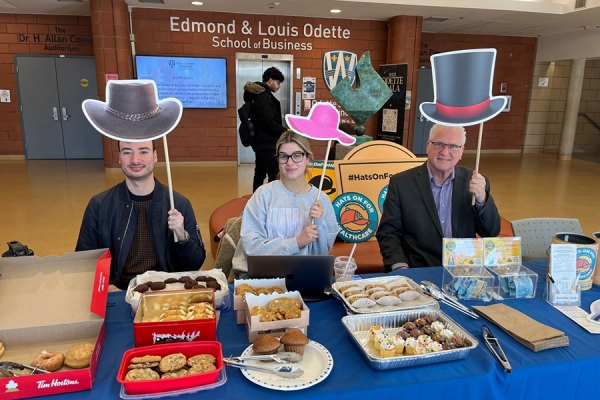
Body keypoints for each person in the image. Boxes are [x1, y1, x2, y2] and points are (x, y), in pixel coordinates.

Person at [76, 140, 206, 290]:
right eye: (127, 152)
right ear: (119, 157)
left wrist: (183, 237)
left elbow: (195, 264)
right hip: (119, 291)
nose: (135, 160)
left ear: (155, 156)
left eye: (143, 151)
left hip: (166, 291)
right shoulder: (99, 205)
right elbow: (84, 261)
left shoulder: (179, 204)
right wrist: (108, 286)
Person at [376, 124, 501, 271]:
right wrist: (400, 266)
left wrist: (482, 199)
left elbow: (491, 233)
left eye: (453, 146)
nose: (445, 151)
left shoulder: (475, 182)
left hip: (462, 270)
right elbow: (388, 232)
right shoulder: (401, 183)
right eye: (439, 144)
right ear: (428, 146)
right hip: (417, 269)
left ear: (462, 151)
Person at [232, 131, 339, 277]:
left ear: (308, 158)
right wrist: (297, 242)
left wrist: (319, 223)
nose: (290, 162)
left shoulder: (321, 200)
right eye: (284, 156)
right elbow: (252, 248)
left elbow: (321, 253)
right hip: (263, 276)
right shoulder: (264, 195)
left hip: (304, 276)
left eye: (297, 155)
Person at [243, 66, 287, 192]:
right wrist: (284, 130)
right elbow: (268, 122)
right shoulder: (263, 97)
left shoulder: (259, 96)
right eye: (278, 83)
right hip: (267, 143)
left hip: (261, 142)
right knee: (273, 174)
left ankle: (256, 199)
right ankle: (270, 200)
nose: (279, 86)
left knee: (260, 173)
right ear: (270, 80)